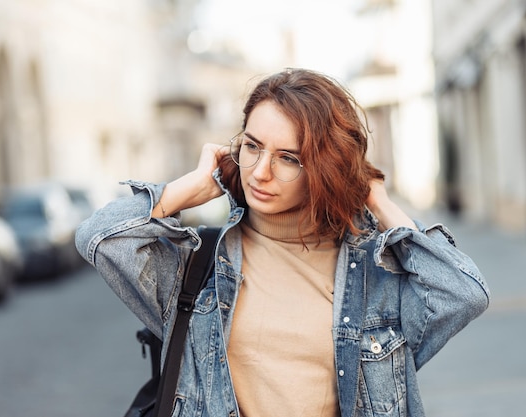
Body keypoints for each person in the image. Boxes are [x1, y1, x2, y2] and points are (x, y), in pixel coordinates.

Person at [75, 68, 490, 417]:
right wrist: (187, 189)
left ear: (325, 167)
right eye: (252, 147)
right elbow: (98, 238)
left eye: (288, 158)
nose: (260, 173)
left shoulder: (374, 277)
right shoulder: (195, 271)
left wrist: (378, 201)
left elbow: (462, 294)